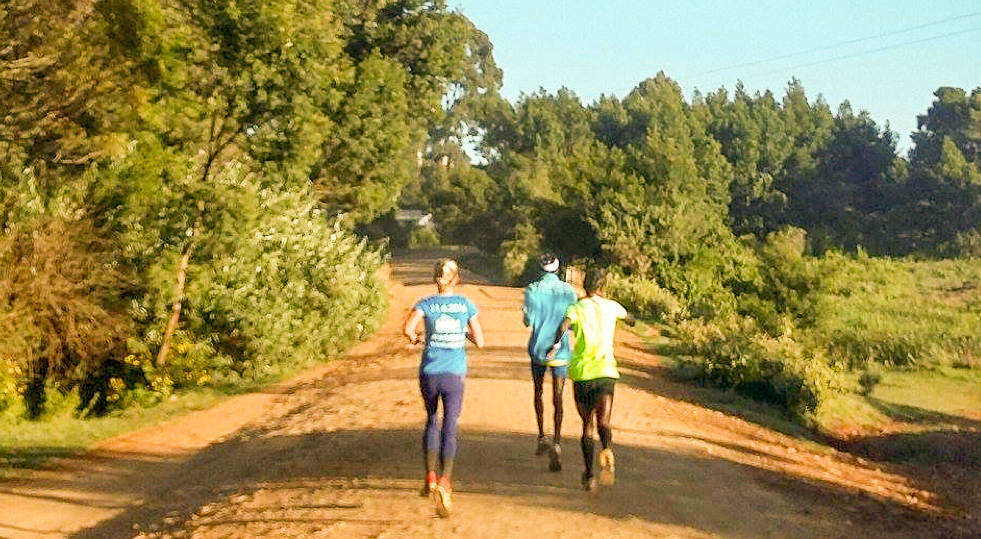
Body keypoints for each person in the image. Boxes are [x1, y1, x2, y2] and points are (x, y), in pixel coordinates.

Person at [404, 259, 484, 518]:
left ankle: (429, 477)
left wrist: (416, 338)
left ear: (434, 279)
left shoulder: (425, 303)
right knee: (450, 426)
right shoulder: (465, 305)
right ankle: (445, 482)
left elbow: (407, 329)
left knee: (431, 420)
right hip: (454, 374)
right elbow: (480, 342)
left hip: (429, 372)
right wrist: (464, 334)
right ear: (457, 279)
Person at [546, 268, 634, 492]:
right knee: (604, 421)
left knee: (587, 426)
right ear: (603, 287)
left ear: (585, 286)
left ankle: (588, 474)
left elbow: (563, 326)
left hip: (582, 372)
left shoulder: (576, 307)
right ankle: (606, 447)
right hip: (605, 371)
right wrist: (630, 319)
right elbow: (630, 319)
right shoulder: (612, 306)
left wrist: (556, 345)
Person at [522, 252, 577, 472]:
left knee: (538, 392)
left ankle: (541, 435)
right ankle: (557, 440)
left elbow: (528, 321)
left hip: (537, 349)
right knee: (558, 397)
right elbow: (571, 323)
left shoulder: (532, 290)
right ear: (558, 269)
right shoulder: (568, 291)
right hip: (560, 350)